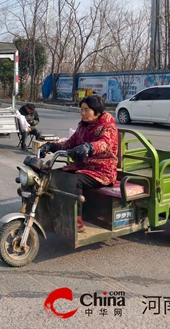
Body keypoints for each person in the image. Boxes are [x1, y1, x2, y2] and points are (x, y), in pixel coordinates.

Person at [39, 96, 118, 232]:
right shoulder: (83, 126)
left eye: (86, 110)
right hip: (82, 167)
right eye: (81, 109)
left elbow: (104, 143)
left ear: (97, 111)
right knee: (52, 175)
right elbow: (70, 143)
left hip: (102, 170)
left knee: (74, 182)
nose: (82, 113)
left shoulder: (108, 127)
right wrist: (52, 146)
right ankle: (54, 212)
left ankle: (76, 220)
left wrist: (89, 147)